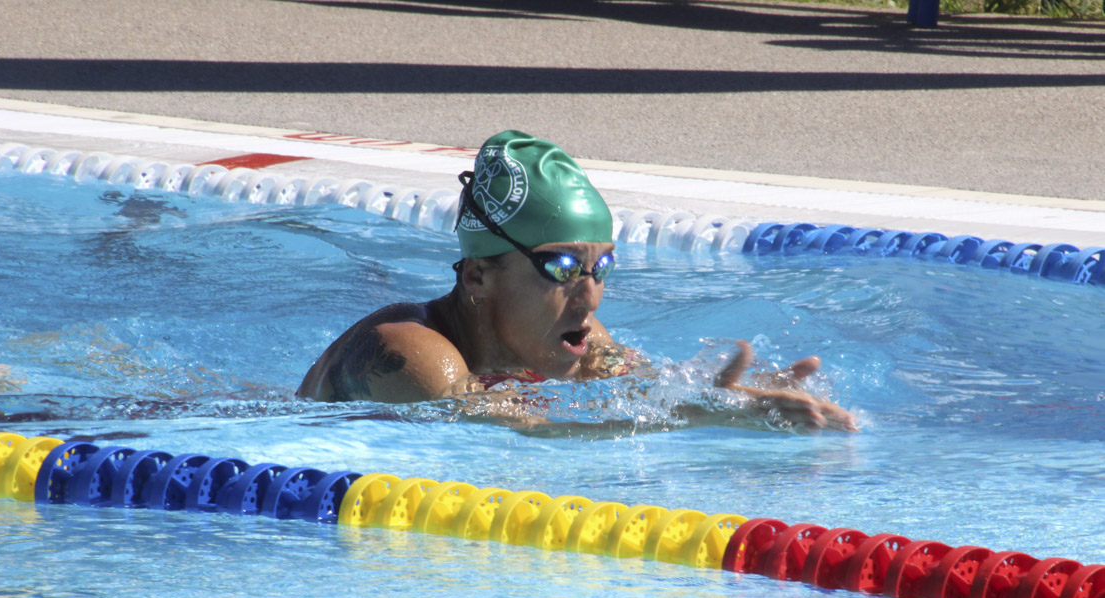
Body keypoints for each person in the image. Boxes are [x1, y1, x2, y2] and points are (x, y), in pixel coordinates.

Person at [297, 130, 857, 432]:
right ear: (478, 276)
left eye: (600, 267)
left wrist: (732, 400)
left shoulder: (574, 336)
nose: (588, 297)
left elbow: (651, 394)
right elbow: (529, 432)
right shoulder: (410, 352)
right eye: (560, 268)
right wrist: (704, 423)